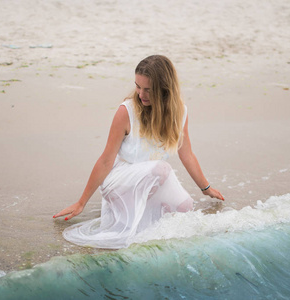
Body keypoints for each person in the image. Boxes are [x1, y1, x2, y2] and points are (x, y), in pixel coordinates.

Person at [53, 55, 224, 249]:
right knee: (162, 169)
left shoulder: (180, 112)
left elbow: (187, 154)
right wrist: (81, 202)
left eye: (148, 90)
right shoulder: (126, 112)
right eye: (138, 86)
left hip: (151, 180)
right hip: (119, 180)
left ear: (164, 90)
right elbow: (105, 161)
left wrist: (206, 188)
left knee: (185, 207)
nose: (141, 94)